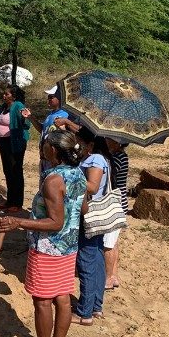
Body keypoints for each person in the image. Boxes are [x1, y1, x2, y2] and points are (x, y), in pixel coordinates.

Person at [0, 130, 87, 337]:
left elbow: (55, 222)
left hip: (48, 248)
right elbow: (83, 208)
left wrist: (19, 222)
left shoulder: (53, 179)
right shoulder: (78, 174)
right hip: (69, 247)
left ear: (54, 151)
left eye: (46, 145)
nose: (43, 148)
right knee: (63, 299)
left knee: (43, 301)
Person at [72, 128, 110, 326]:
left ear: (90, 144)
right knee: (96, 258)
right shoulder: (94, 158)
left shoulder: (95, 159)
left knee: (86, 260)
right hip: (95, 216)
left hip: (89, 215)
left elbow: (93, 187)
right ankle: (95, 307)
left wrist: (70, 175)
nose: (76, 145)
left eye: (79, 141)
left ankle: (84, 312)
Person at [0, 85, 30, 212]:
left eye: (6, 94)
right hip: (4, 143)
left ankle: (17, 203)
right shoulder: (4, 107)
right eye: (4, 93)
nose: (4, 96)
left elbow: (26, 121)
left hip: (15, 143)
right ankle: (10, 201)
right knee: (8, 171)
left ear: (13, 96)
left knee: (16, 171)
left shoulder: (18, 105)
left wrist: (25, 117)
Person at [22, 85, 70, 186]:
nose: (48, 99)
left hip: (54, 159)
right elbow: (42, 129)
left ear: (60, 98)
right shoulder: (50, 115)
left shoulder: (65, 115)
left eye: (51, 97)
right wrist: (30, 117)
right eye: (48, 97)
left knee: (51, 185)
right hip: (44, 157)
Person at [104, 138, 129, 290]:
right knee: (113, 242)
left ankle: (108, 277)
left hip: (116, 203)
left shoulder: (118, 157)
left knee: (109, 243)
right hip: (121, 203)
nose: (107, 141)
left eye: (110, 140)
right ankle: (113, 275)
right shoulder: (121, 156)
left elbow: (111, 177)